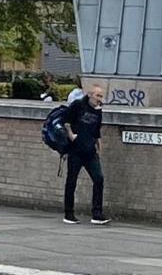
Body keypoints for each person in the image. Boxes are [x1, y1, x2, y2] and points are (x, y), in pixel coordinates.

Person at [56, 84, 107, 225]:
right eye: (98, 95)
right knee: (71, 181)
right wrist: (71, 135)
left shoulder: (98, 110)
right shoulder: (78, 105)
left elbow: (97, 130)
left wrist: (99, 145)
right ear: (89, 95)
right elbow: (66, 121)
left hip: (90, 151)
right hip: (76, 150)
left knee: (99, 179)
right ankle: (69, 213)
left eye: (101, 96)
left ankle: (97, 214)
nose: (100, 99)